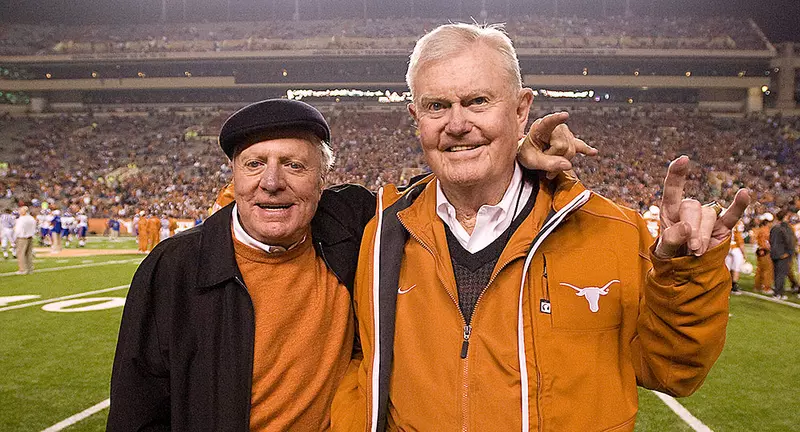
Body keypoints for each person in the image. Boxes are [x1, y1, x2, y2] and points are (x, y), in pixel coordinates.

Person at [332, 23, 749, 431]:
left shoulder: (613, 231)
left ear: (520, 109)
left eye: (478, 101)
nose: (456, 124)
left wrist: (685, 273)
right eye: (436, 106)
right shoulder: (381, 233)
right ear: (415, 117)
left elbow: (674, 371)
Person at [108, 97, 589, 431]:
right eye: (254, 164)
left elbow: (441, 190)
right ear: (233, 177)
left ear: (324, 180)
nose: (271, 182)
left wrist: (513, 158)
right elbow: (137, 410)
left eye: (294, 165)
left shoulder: (352, 226)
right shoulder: (175, 268)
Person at [769, 209, 796, 300]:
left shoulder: (774, 227)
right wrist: (789, 252)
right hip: (783, 254)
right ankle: (778, 293)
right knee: (781, 274)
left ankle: (777, 292)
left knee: (777, 274)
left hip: (774, 253)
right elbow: (790, 241)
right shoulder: (786, 228)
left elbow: (771, 241)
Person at [753, 214, 774, 294]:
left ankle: (757, 286)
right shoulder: (766, 230)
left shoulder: (760, 229)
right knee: (768, 270)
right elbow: (767, 243)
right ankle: (766, 287)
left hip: (760, 250)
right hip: (765, 251)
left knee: (760, 269)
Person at [13, 206, 37, 275]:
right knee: (28, 253)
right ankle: (30, 268)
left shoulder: (21, 219)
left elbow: (18, 230)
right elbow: (34, 227)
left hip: (22, 237)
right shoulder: (31, 218)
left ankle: (22, 269)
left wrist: (14, 239)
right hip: (30, 236)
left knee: (21, 253)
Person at [726, 220, 746, 294]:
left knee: (728, 267)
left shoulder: (728, 220)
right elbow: (739, 238)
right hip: (736, 248)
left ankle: (726, 285)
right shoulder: (739, 223)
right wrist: (744, 253)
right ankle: (734, 286)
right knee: (736, 267)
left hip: (728, 246)